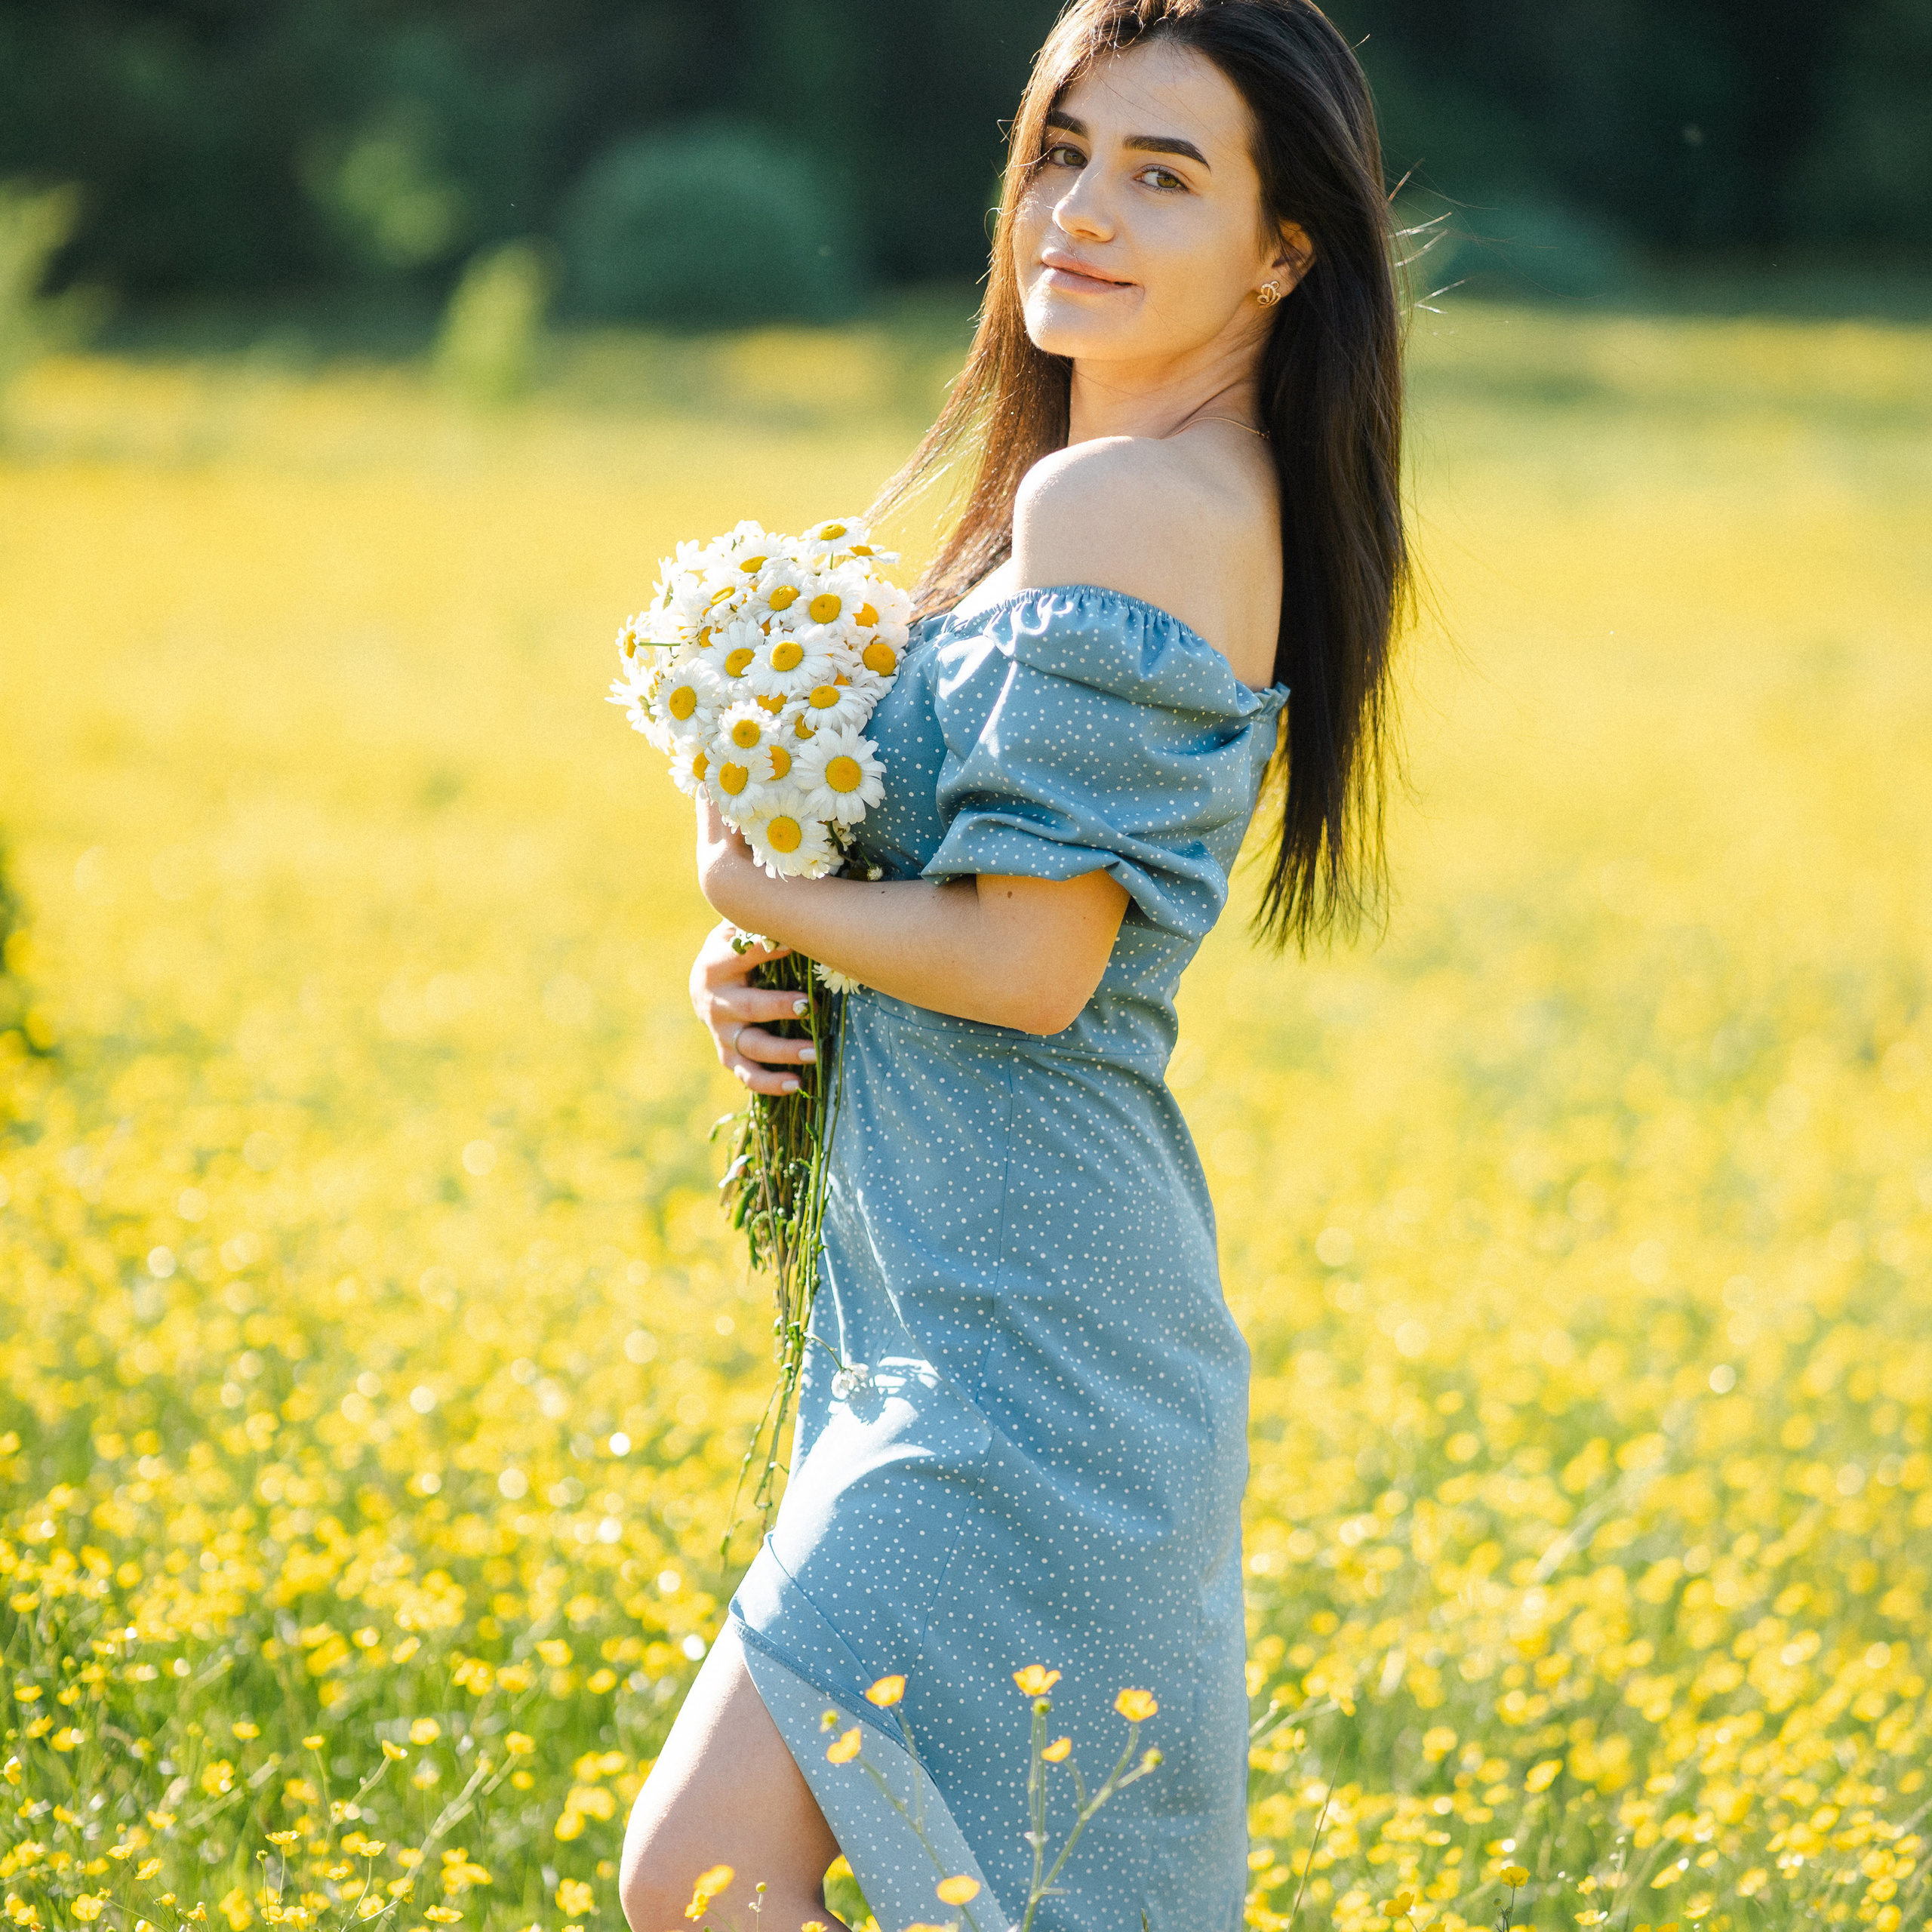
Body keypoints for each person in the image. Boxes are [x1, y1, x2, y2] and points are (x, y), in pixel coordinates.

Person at [620, 2, 1407, 1927]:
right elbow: (977, 922)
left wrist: (761, 886)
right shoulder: (1128, 487)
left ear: (1282, 248)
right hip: (970, 1300)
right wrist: (773, 972)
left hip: (1019, 1342)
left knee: (702, 1876)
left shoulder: (1118, 503)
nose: (1081, 209)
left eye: (1164, 174)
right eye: (1064, 150)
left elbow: (1038, 966)